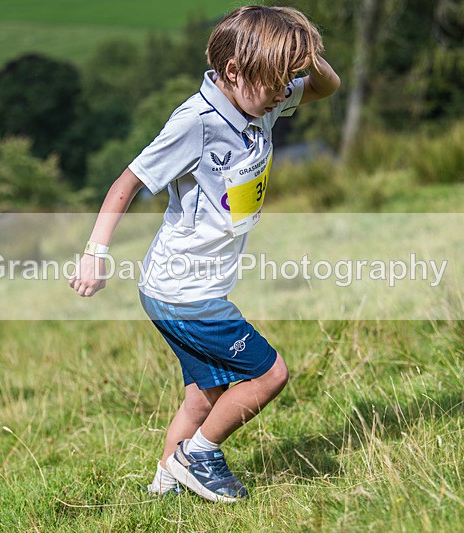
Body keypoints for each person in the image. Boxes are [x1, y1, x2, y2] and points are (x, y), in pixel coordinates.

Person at [69, 6, 340, 502]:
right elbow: (126, 184)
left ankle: (164, 489)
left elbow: (326, 86)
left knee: (204, 397)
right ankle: (198, 457)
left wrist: (303, 52)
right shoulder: (195, 122)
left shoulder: (262, 100)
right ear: (233, 71)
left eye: (288, 79)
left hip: (188, 285)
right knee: (270, 373)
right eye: (276, 81)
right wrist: (95, 253)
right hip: (183, 290)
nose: (284, 92)